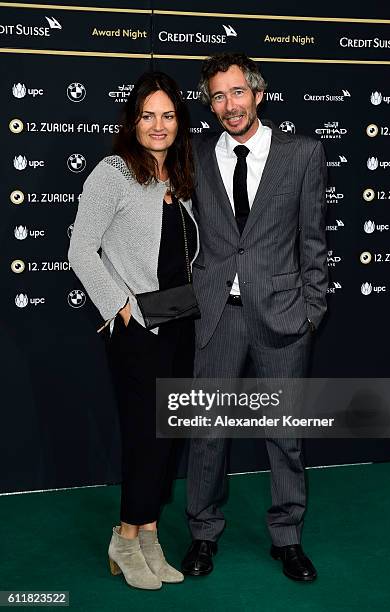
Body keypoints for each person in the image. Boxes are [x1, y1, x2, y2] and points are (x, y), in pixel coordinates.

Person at [181, 53, 328, 582]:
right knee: (207, 433)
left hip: (284, 316)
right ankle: (202, 534)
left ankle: (288, 538)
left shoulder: (303, 154)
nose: (229, 105)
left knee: (285, 434)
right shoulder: (193, 153)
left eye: (237, 92)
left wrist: (312, 309)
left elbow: (313, 239)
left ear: (258, 94)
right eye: (218, 96)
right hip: (216, 315)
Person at [68, 71, 198, 590]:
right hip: (138, 329)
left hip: (180, 323)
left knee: (167, 437)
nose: (158, 125)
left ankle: (149, 535)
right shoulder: (113, 173)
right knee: (144, 435)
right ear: (133, 120)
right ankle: (124, 538)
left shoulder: (181, 177)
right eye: (149, 115)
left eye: (168, 115)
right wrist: (122, 308)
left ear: (178, 123)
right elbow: (80, 250)